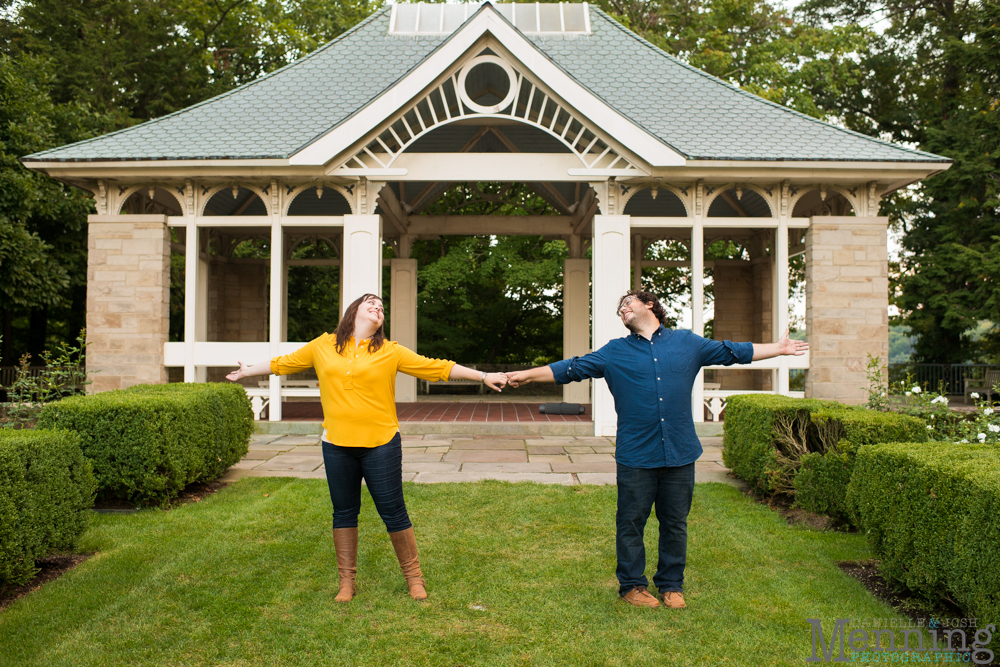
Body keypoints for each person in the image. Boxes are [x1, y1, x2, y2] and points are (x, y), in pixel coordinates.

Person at [505, 289, 807, 610]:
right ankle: (632, 586)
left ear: (650, 304)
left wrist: (778, 348)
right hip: (636, 454)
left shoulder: (688, 343)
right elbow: (571, 367)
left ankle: (671, 585)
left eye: (628, 303)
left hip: (680, 451)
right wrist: (526, 374)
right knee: (631, 522)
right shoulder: (614, 352)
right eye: (619, 308)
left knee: (675, 522)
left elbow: (733, 351)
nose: (622, 309)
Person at [226, 293, 508, 603]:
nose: (378, 308)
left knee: (393, 511)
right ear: (354, 311)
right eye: (371, 303)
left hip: (381, 443)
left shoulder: (391, 351)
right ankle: (347, 582)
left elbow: (436, 368)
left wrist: (483, 376)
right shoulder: (323, 345)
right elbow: (285, 363)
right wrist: (248, 371)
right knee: (344, 512)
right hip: (336, 444)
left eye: (382, 307)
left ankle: (414, 578)